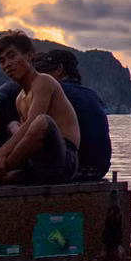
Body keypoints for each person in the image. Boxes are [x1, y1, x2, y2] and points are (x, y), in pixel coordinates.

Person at [0, 31, 79, 185]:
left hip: (64, 160)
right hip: (39, 163)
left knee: (41, 121)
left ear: (29, 55)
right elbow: (25, 137)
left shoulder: (44, 81)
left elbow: (35, 124)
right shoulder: (19, 99)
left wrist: (1, 154)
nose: (7, 64)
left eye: (12, 56)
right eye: (2, 61)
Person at [33, 48, 111, 180]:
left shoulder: (56, 92)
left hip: (75, 168)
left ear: (59, 69)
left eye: (46, 72)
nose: (42, 77)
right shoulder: (93, 94)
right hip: (100, 169)